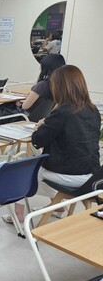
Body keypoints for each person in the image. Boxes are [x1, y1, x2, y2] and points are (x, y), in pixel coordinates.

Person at [6, 65, 100, 223]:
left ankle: (18, 216)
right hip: (92, 175)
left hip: (69, 174)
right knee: (42, 170)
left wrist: (41, 125)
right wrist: (49, 122)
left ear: (60, 87)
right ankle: (58, 206)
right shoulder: (92, 110)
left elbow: (37, 141)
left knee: (21, 171)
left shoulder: (62, 112)